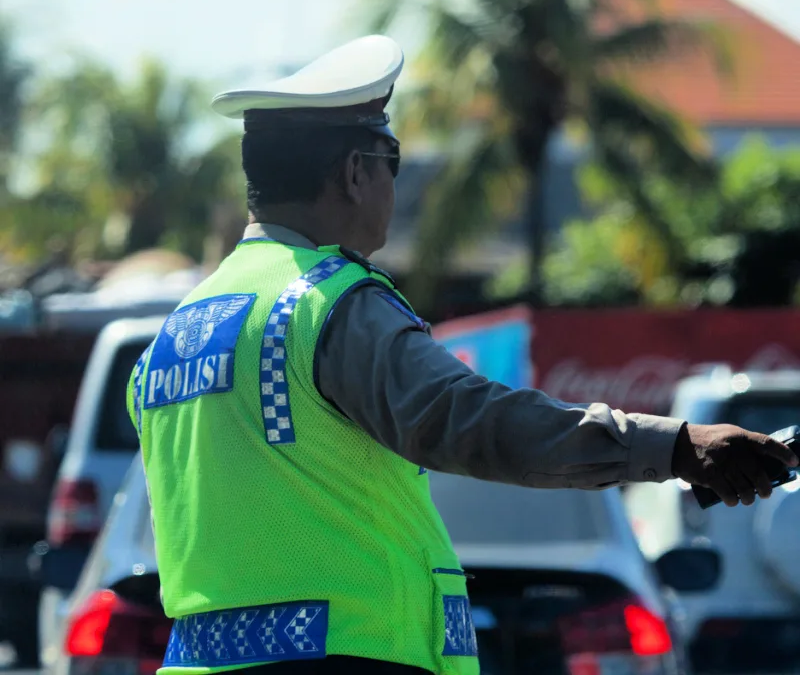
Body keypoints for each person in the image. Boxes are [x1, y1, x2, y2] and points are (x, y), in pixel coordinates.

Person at [127, 35, 798, 675]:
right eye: (391, 162)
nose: (394, 185)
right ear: (356, 173)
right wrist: (676, 447)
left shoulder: (175, 334)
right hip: (347, 659)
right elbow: (473, 420)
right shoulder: (327, 302)